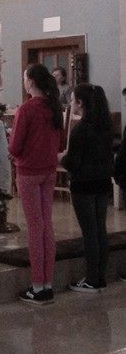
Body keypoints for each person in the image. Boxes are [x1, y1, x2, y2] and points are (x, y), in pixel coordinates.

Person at [9, 64, 63, 304]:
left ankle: (38, 286)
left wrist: (11, 149)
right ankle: (48, 283)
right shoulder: (53, 107)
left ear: (30, 81)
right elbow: (59, 140)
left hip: (29, 172)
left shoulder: (27, 108)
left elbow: (15, 145)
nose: (23, 81)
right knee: (46, 226)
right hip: (49, 170)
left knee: (34, 227)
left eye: (24, 78)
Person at [61, 84, 114, 292]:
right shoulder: (105, 126)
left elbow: (73, 162)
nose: (71, 103)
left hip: (83, 185)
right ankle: (100, 276)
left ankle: (92, 279)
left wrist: (62, 158)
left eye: (73, 99)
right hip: (102, 182)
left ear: (81, 103)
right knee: (100, 229)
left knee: (89, 232)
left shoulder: (80, 129)